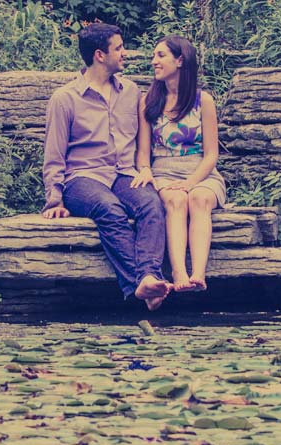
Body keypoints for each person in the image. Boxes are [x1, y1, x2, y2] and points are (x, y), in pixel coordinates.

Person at [41, 22, 173, 310]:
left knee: (151, 204)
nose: (125, 53)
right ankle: (140, 283)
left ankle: (150, 276)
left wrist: (145, 170)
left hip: (124, 173)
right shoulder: (65, 99)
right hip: (82, 179)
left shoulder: (131, 92)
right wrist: (55, 198)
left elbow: (144, 141)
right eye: (119, 48)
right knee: (109, 208)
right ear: (100, 55)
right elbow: (54, 155)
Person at [134, 35, 225, 292]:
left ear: (180, 60)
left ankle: (198, 273)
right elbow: (143, 152)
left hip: (201, 172)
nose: (154, 61)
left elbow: (211, 155)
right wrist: (145, 171)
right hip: (163, 171)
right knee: (176, 200)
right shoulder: (148, 102)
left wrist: (190, 182)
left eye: (161, 56)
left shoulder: (203, 101)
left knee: (198, 199)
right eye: (154, 56)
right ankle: (179, 273)